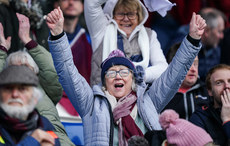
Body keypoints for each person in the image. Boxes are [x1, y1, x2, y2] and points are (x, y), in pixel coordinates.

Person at [46, 7, 206, 146]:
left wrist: (192, 40)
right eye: (111, 73)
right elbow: (68, 73)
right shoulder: (91, 104)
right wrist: (58, 36)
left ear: (132, 79)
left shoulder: (148, 101)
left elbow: (174, 75)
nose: (118, 77)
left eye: (124, 72)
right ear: (104, 82)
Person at [0, 14, 75, 146]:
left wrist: (28, 41)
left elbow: (53, 73)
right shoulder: (6, 98)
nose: (20, 75)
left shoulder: (44, 91)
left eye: (26, 69)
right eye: (14, 71)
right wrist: (2, 51)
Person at [84, 0, 169, 86]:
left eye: (131, 14)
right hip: (103, 97)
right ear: (112, 15)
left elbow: (163, 68)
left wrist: (141, 75)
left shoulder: (149, 35)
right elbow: (90, 3)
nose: (126, 19)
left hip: (142, 97)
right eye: (120, 14)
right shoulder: (102, 30)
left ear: (139, 16)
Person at [0, 65, 60, 145]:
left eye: (22, 89)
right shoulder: (39, 133)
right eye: (8, 88)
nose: (15, 94)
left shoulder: (45, 125)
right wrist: (33, 140)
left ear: (34, 98)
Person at [53, 0, 92, 117]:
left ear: (83, 6)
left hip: (82, 102)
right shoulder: (44, 36)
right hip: (53, 99)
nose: (71, 3)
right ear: (56, 5)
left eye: (76, 0)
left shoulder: (89, 39)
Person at [162, 43, 210, 120]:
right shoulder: (160, 94)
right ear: (172, 65)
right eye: (188, 64)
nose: (193, 69)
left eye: (195, 64)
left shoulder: (207, 91)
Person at [189, 64, 230, 145]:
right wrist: (227, 119)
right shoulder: (199, 117)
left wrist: (227, 121)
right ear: (210, 91)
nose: (227, 86)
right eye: (219, 83)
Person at [198, 8, 226, 81]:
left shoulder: (215, 48)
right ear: (207, 31)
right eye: (219, 31)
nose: (222, 36)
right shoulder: (185, 46)